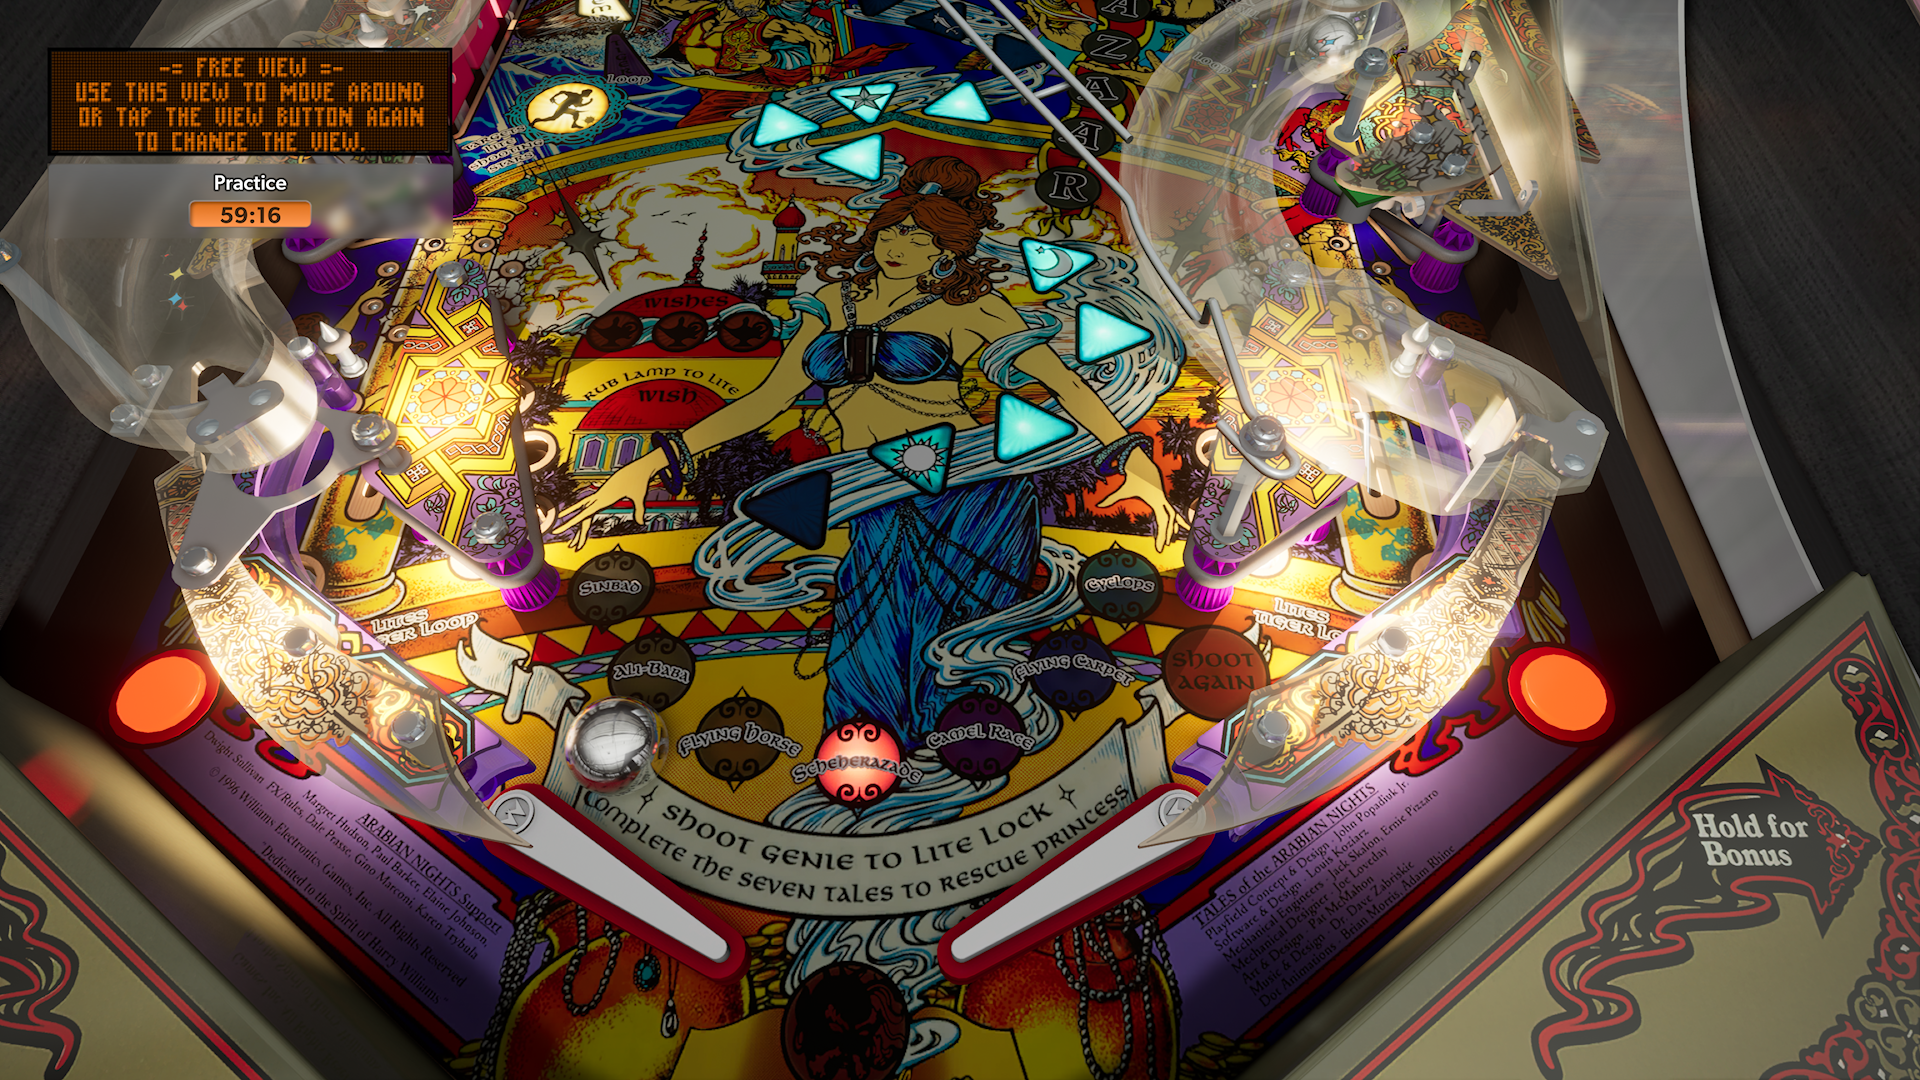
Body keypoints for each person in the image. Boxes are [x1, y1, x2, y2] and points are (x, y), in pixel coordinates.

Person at [558, 157, 1177, 744]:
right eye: (893, 230)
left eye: (920, 238)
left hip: (969, 495)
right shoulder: (830, 305)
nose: (898, 245)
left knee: (955, 657)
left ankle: (958, 760)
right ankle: (868, 773)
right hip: (872, 495)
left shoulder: (971, 309)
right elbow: (766, 399)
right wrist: (652, 461)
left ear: (946, 252)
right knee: (864, 653)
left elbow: (1068, 386)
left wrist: (1133, 458)